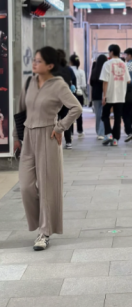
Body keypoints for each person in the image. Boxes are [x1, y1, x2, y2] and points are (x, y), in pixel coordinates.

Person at [13, 46, 82, 251]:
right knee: (26, 186)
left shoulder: (58, 85)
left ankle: (44, 232)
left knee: (46, 187)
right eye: (34, 60)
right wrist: (16, 137)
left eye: (39, 61)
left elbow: (76, 108)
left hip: (48, 137)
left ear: (50, 65)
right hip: (28, 136)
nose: (34, 63)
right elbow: (21, 110)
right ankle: (40, 222)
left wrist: (60, 127)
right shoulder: (29, 82)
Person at [100, 44, 131, 146]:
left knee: (105, 115)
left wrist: (104, 96)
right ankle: (115, 140)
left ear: (112, 52)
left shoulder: (107, 64)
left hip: (109, 94)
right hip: (120, 95)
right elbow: (128, 81)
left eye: (109, 51)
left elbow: (105, 81)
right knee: (118, 118)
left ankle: (109, 134)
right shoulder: (124, 64)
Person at [56, 49, 77, 149]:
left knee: (54, 120)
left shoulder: (52, 69)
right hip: (66, 98)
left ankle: (54, 141)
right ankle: (68, 141)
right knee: (66, 119)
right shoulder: (69, 69)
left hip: (54, 98)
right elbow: (74, 83)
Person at [90, 54, 108, 139]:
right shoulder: (105, 71)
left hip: (95, 95)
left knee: (97, 114)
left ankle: (98, 131)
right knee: (103, 114)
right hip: (103, 94)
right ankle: (101, 133)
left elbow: (91, 83)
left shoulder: (94, 70)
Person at [69, 54, 86, 137]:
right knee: (79, 113)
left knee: (69, 113)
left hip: (69, 94)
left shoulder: (68, 70)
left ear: (70, 61)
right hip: (79, 93)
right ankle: (80, 130)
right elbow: (83, 85)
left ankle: (70, 132)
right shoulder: (81, 71)